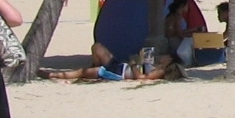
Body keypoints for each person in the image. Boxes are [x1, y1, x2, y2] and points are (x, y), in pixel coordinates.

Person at [36, 43, 184, 82]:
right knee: (97, 47)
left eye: (166, 56)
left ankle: (51, 75)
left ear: (170, 60)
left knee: (82, 72)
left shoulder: (160, 71)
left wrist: (133, 64)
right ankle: (95, 66)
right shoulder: (157, 66)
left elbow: (140, 78)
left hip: (119, 72)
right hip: (120, 66)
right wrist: (139, 60)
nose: (162, 57)